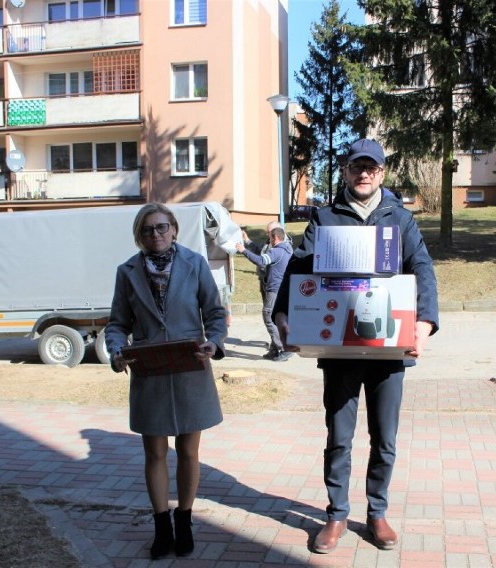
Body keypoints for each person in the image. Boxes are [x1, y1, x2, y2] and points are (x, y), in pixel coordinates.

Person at [273, 139, 439, 553]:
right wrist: (283, 315)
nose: (363, 173)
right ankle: (336, 515)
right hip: (340, 347)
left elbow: (422, 268)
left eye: (371, 167)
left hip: (388, 348)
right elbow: (299, 266)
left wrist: (424, 322)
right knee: (339, 437)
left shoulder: (400, 219)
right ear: (345, 172)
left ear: (381, 173)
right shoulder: (325, 217)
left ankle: (377, 512)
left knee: (384, 437)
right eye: (355, 167)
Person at [104, 203, 227, 560]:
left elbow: (216, 314)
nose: (155, 235)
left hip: (191, 368)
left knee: (189, 451)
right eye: (147, 230)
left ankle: (184, 519)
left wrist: (214, 342)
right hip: (150, 373)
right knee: (154, 453)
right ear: (139, 235)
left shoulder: (194, 264)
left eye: (161, 227)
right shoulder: (127, 272)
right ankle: (161, 525)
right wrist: (116, 351)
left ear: (173, 228)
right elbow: (117, 324)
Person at [235, 226, 293, 361]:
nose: (269, 240)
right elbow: (260, 251)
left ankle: (283, 347)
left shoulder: (277, 251)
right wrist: (248, 241)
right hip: (282, 288)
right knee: (275, 318)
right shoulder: (288, 249)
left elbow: (261, 260)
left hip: (275, 289)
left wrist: (243, 250)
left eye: (270, 236)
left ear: (276, 238)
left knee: (268, 316)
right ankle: (274, 349)